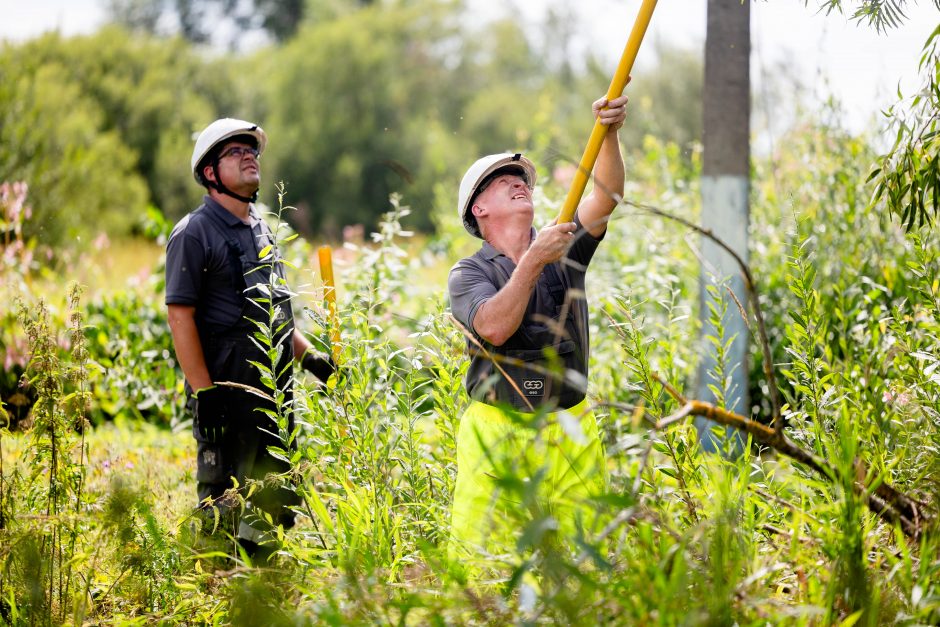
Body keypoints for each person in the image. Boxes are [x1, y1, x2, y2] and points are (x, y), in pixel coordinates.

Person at [447, 94, 628, 563]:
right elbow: (495, 327)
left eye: (521, 180)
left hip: (571, 426)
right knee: (485, 568)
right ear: (478, 211)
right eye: (502, 182)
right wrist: (533, 259)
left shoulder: (564, 244)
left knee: (584, 561)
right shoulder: (468, 274)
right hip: (498, 432)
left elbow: (605, 197)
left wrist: (608, 132)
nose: (518, 184)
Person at [165, 118, 334, 561]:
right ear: (209, 173)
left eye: (252, 150)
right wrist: (204, 394)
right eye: (235, 152)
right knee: (223, 504)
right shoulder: (193, 233)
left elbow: (273, 312)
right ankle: (216, 593)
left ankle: (263, 589)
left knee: (274, 501)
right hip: (226, 391)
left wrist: (310, 357)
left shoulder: (262, 227)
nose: (249, 156)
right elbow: (180, 317)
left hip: (275, 391)